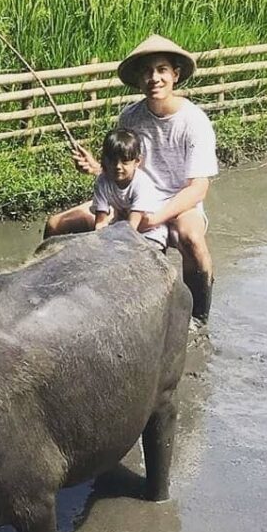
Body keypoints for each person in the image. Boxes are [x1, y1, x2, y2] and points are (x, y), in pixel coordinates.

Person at [44, 35, 218, 323]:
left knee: (192, 239)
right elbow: (124, 168)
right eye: (146, 71)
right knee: (55, 225)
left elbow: (198, 188)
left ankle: (199, 318)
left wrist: (157, 216)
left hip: (177, 202)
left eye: (162, 70)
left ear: (175, 74)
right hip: (130, 197)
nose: (154, 78)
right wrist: (99, 169)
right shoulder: (131, 117)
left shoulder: (194, 121)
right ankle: (53, 296)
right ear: (138, 79)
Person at [92, 129, 169, 251]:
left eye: (124, 161)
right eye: (112, 161)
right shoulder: (102, 181)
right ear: (104, 160)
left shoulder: (141, 184)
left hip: (149, 234)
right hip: (121, 230)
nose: (118, 166)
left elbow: (132, 225)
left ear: (137, 162)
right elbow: (100, 221)